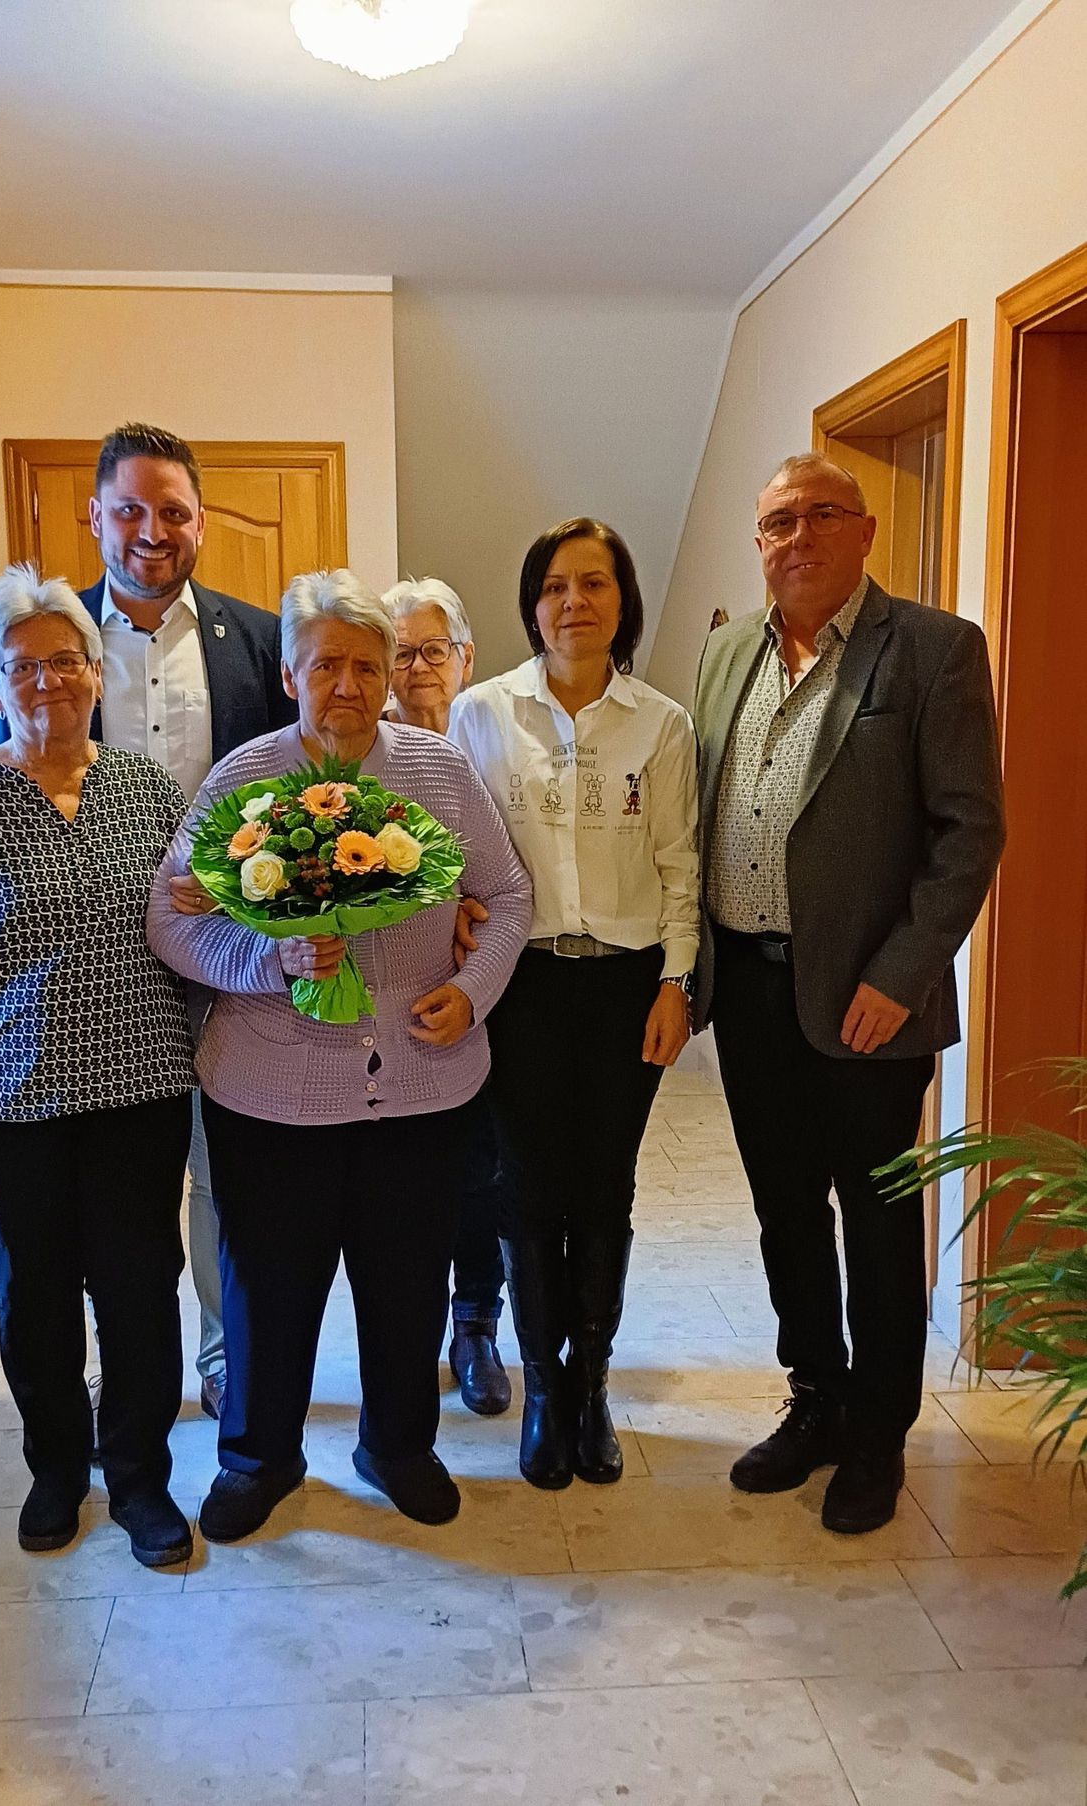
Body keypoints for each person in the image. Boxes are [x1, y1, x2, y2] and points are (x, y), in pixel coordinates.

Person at [147, 569, 533, 1543]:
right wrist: (268, 958)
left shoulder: (440, 775)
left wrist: (469, 991)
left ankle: (397, 1446)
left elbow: (509, 898)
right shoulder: (244, 781)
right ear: (290, 673)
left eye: (369, 665)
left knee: (406, 1283)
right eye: (328, 665)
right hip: (270, 1091)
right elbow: (171, 920)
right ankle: (258, 1459)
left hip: (419, 1081)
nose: (350, 684)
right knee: (270, 1288)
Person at [692, 451, 1005, 1534]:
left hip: (871, 1001)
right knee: (785, 1215)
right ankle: (815, 1400)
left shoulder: (930, 651)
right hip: (748, 990)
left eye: (822, 515)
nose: (798, 537)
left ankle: (879, 1434)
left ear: (865, 531)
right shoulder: (728, 650)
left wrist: (902, 974)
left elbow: (969, 835)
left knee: (875, 1223)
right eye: (778, 520)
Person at [0, 422, 296, 1424]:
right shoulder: (49, 641)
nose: (151, 532)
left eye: (172, 511)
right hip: (98, 968)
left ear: (200, 521)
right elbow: (13, 785)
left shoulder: (256, 639)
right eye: (130, 510)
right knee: (106, 1192)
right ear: (95, 518)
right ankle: (121, 1357)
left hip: (229, 959)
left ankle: (218, 1353)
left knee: (225, 1173)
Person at [0, 565, 197, 1568]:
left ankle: (141, 1478)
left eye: (67, 660)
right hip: (9, 1103)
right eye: (24, 666)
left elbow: (194, 931)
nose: (49, 681)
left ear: (97, 672)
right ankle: (58, 1471)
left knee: (143, 1292)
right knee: (34, 1302)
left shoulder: (149, 790)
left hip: (142, 1091)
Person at [449, 519, 699, 1490]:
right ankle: (542, 1394)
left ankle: (589, 1383)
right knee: (521, 1187)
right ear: (531, 604)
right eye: (555, 586)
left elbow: (680, 867)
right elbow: (455, 857)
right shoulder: (482, 714)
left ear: (623, 601)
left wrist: (677, 982)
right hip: (519, 982)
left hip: (623, 987)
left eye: (594, 584)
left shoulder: (661, 724)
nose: (573, 603)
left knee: (604, 1185)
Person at [384, 577, 510, 1418]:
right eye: (402, 651)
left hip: (490, 989)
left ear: (465, 659)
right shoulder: (372, 756)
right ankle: (403, 1336)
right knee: (406, 1183)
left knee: (483, 1174)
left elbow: (518, 867)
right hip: (392, 1009)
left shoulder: (499, 743)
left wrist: (477, 910)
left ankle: (475, 1324)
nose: (419, 665)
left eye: (435, 648)